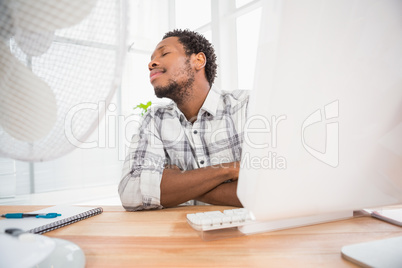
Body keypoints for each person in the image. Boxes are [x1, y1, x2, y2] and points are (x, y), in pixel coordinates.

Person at [118, 29, 249, 211]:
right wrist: (227, 170)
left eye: (164, 53)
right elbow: (131, 192)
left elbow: (270, 189)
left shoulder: (247, 106)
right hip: (180, 236)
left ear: (198, 61)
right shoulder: (155, 120)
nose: (151, 63)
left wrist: (180, 185)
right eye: (152, 58)